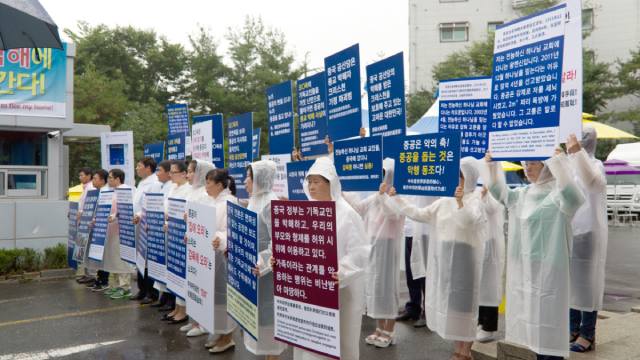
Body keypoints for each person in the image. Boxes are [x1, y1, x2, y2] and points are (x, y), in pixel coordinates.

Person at [485, 151, 585, 360]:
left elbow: (575, 197)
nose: (527, 168)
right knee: (533, 327)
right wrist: (492, 164)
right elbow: (498, 190)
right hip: (524, 271)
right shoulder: (522, 195)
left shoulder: (559, 194)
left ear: (547, 166)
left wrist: (555, 160)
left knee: (549, 327)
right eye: (525, 163)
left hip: (550, 272)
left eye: (533, 163)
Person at [384, 157, 486, 360]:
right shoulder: (444, 200)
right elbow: (419, 213)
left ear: (471, 177)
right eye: (456, 176)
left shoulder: (477, 198)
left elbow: (469, 221)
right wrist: (397, 198)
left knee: (466, 308)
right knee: (453, 307)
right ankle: (458, 349)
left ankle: (465, 352)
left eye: (461, 176)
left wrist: (459, 202)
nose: (457, 180)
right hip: (446, 259)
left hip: (466, 259)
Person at [277, 157, 369, 360]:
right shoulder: (306, 212)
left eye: (317, 181)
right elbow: (297, 248)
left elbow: (359, 252)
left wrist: (342, 272)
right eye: (309, 182)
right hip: (310, 291)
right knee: (308, 342)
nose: (311, 186)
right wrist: (281, 260)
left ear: (331, 183)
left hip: (340, 292)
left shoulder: (347, 214)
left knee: (337, 343)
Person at [343, 158, 405, 348]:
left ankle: (390, 329)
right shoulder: (376, 196)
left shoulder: (398, 196)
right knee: (375, 286)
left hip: (389, 246)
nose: (382, 179)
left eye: (384, 175)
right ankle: (379, 327)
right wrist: (343, 193)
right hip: (372, 246)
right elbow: (358, 208)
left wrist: (383, 196)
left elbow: (392, 213)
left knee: (388, 286)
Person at [566, 128, 607, 353]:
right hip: (569, 230)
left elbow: (593, 183)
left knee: (587, 284)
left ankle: (587, 334)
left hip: (588, 232)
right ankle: (572, 328)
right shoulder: (570, 165)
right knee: (571, 283)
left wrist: (578, 154)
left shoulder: (595, 164)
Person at [244, 160, 288, 359]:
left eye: (249, 177)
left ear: (259, 179)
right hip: (254, 268)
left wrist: (262, 264)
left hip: (268, 271)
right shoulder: (254, 200)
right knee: (258, 315)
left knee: (269, 314)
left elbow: (278, 241)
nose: (245, 182)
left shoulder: (271, 203)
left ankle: (273, 356)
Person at [198, 168, 239, 354]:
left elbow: (231, 230)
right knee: (215, 297)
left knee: (225, 297)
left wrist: (221, 239)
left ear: (220, 185)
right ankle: (219, 332)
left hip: (223, 258)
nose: (206, 186)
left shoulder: (229, 202)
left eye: (209, 182)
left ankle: (228, 337)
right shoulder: (210, 201)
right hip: (209, 258)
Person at [397, 196, 436, 329]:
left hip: (426, 229)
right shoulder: (406, 176)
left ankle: (428, 312)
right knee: (411, 272)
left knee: (425, 274)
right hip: (410, 228)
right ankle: (413, 307)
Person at [161, 160, 192, 325]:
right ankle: (176, 308)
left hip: (181, 237)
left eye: (173, 172)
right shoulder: (172, 188)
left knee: (181, 273)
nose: (170, 175)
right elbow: (167, 209)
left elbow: (186, 214)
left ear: (183, 173)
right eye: (170, 172)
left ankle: (184, 310)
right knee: (172, 273)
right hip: (171, 235)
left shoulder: (189, 190)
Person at [476, 182, 506, 342]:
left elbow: (493, 208)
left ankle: (489, 327)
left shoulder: (493, 189)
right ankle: (480, 322)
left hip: (491, 244)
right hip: (479, 242)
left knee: (489, 286)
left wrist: (486, 195)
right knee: (480, 286)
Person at [103, 169, 137, 299]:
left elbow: (128, 209)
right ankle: (117, 285)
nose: (109, 180)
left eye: (111, 178)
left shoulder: (125, 190)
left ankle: (125, 287)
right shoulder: (113, 191)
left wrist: (115, 216)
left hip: (121, 231)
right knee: (113, 259)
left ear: (118, 179)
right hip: (112, 230)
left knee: (121, 259)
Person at [131, 157, 160, 304]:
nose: (137, 168)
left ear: (148, 168)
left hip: (147, 226)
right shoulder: (142, 182)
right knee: (140, 259)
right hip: (138, 225)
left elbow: (150, 206)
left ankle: (151, 292)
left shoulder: (154, 183)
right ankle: (142, 290)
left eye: (139, 166)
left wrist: (139, 216)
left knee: (148, 260)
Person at [150, 160, 177, 313]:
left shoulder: (173, 187)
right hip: (160, 229)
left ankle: (171, 300)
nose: (157, 173)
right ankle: (164, 297)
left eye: (159, 170)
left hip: (170, 231)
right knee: (162, 265)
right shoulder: (160, 186)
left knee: (170, 267)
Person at [86, 169, 111, 292]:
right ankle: (99, 279)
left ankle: (104, 281)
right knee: (97, 255)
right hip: (97, 228)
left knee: (103, 256)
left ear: (102, 180)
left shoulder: (106, 192)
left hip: (103, 229)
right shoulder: (97, 192)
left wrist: (96, 219)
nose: (93, 180)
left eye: (95, 178)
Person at [76, 167, 97, 285]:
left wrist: (82, 212)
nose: (80, 177)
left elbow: (90, 206)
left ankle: (91, 274)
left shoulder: (91, 188)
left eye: (82, 175)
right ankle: (87, 273)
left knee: (88, 249)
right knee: (84, 250)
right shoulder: (85, 188)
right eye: (79, 175)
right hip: (83, 223)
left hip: (88, 223)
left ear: (89, 176)